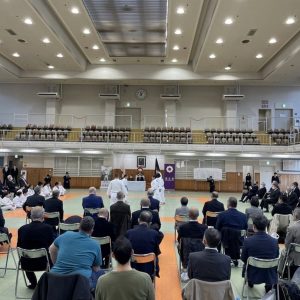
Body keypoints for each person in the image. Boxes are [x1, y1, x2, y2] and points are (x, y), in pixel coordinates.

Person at [49, 216, 104, 289]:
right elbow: (96, 268)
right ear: (91, 230)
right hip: (80, 283)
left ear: (79, 226)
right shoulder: (95, 244)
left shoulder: (66, 235)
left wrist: (56, 264)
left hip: (55, 277)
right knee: (101, 273)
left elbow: (51, 249)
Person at [17, 207, 54, 289]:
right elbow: (52, 246)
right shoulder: (48, 228)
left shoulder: (22, 229)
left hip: (26, 264)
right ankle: (48, 282)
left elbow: (18, 246)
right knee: (52, 253)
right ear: (43, 216)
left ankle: (33, 283)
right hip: (44, 263)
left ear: (31, 216)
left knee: (25, 253)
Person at [241, 215, 279, 293]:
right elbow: (276, 256)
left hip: (253, 274)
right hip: (270, 275)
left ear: (254, 227)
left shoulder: (248, 241)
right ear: (266, 227)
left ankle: (250, 282)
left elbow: (243, 258)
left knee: (247, 263)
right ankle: (268, 285)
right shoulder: (274, 241)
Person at [126, 210, 163, 279]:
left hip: (133, 265)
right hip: (149, 267)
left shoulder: (129, 233)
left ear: (138, 220)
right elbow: (156, 249)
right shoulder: (154, 234)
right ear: (150, 223)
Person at [216, 197, 248, 266]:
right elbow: (245, 229)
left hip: (225, 240)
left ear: (228, 204)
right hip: (239, 240)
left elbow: (217, 228)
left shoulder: (222, 215)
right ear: (236, 205)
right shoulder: (243, 216)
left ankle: (219, 254)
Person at [284, 208, 300, 278]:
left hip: (295, 257)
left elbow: (287, 245)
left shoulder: (292, 228)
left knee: (283, 252)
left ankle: (282, 272)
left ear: (295, 216)